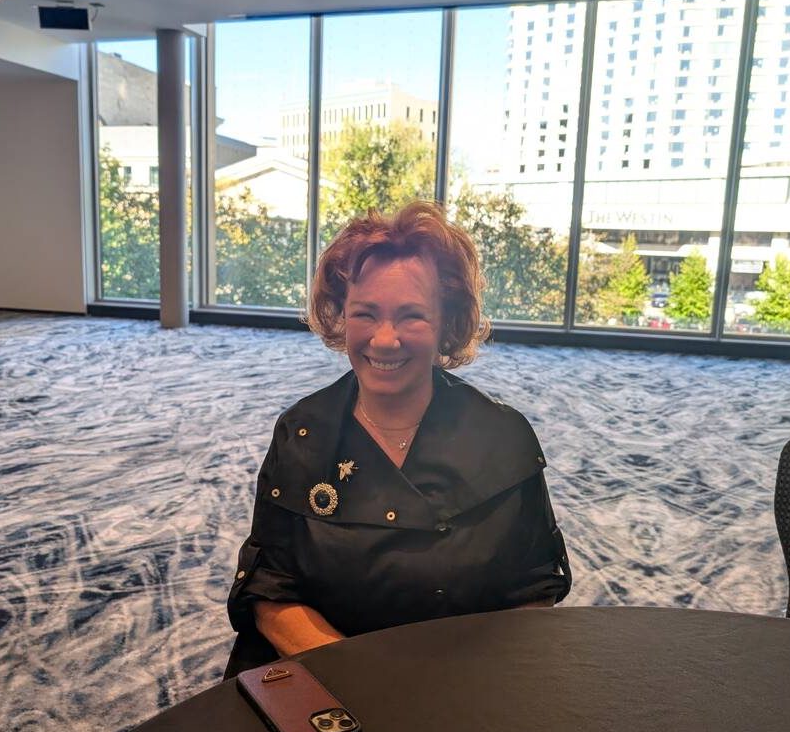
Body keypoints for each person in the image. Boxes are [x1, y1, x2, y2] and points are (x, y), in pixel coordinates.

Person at [224, 201, 571, 677]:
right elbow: (270, 590)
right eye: (365, 314)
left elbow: (532, 590)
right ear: (341, 315)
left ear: (447, 322)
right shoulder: (301, 432)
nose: (385, 340)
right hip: (329, 676)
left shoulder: (503, 437)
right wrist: (360, 675)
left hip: (462, 681)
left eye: (411, 316)